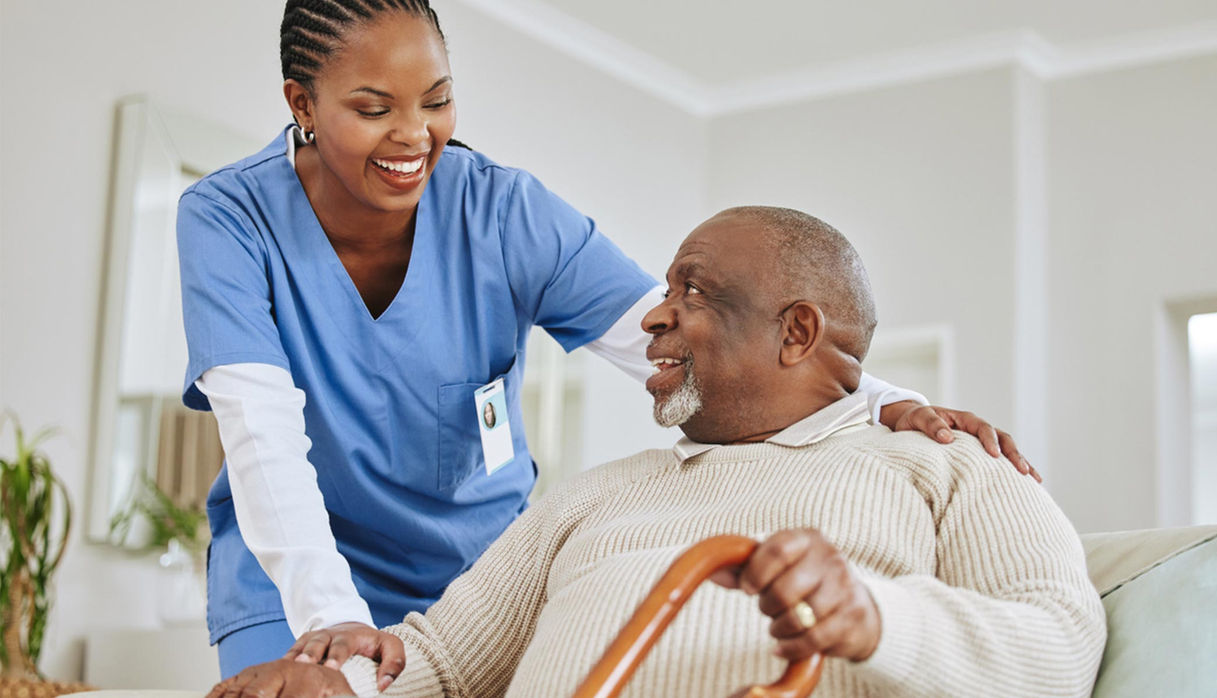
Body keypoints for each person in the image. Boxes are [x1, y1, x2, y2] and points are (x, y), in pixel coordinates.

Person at [179, 0, 1038, 680]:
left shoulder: (502, 212)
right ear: (302, 103)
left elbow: (677, 341)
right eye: (374, 109)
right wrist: (333, 621)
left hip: (475, 585)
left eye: (437, 102)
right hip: (297, 575)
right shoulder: (228, 220)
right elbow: (262, 439)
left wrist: (895, 405)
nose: (415, 137)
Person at [209, 207, 1105, 698]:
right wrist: (341, 694)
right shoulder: (590, 498)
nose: (651, 314)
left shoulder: (949, 465)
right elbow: (440, 667)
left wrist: (877, 618)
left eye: (693, 291)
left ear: (797, 332)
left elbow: (1062, 650)